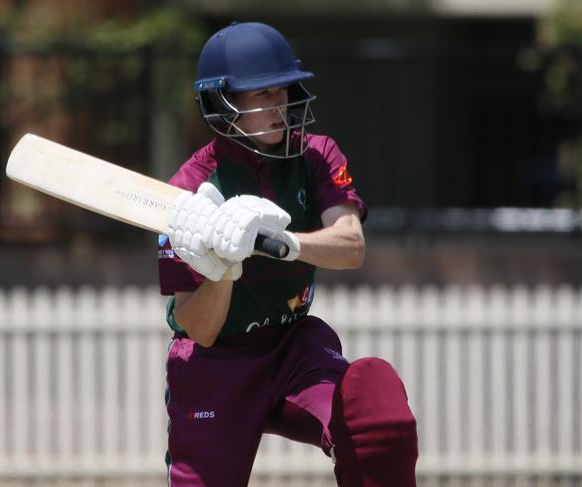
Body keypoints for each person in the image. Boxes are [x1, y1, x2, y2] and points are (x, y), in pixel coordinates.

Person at [158, 21, 418, 487]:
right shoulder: (187, 193)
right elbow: (197, 327)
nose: (280, 106)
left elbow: (350, 246)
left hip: (292, 345)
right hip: (215, 364)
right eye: (262, 96)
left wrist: (287, 243)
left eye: (283, 91)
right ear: (221, 103)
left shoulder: (316, 154)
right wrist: (223, 266)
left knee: (373, 417)